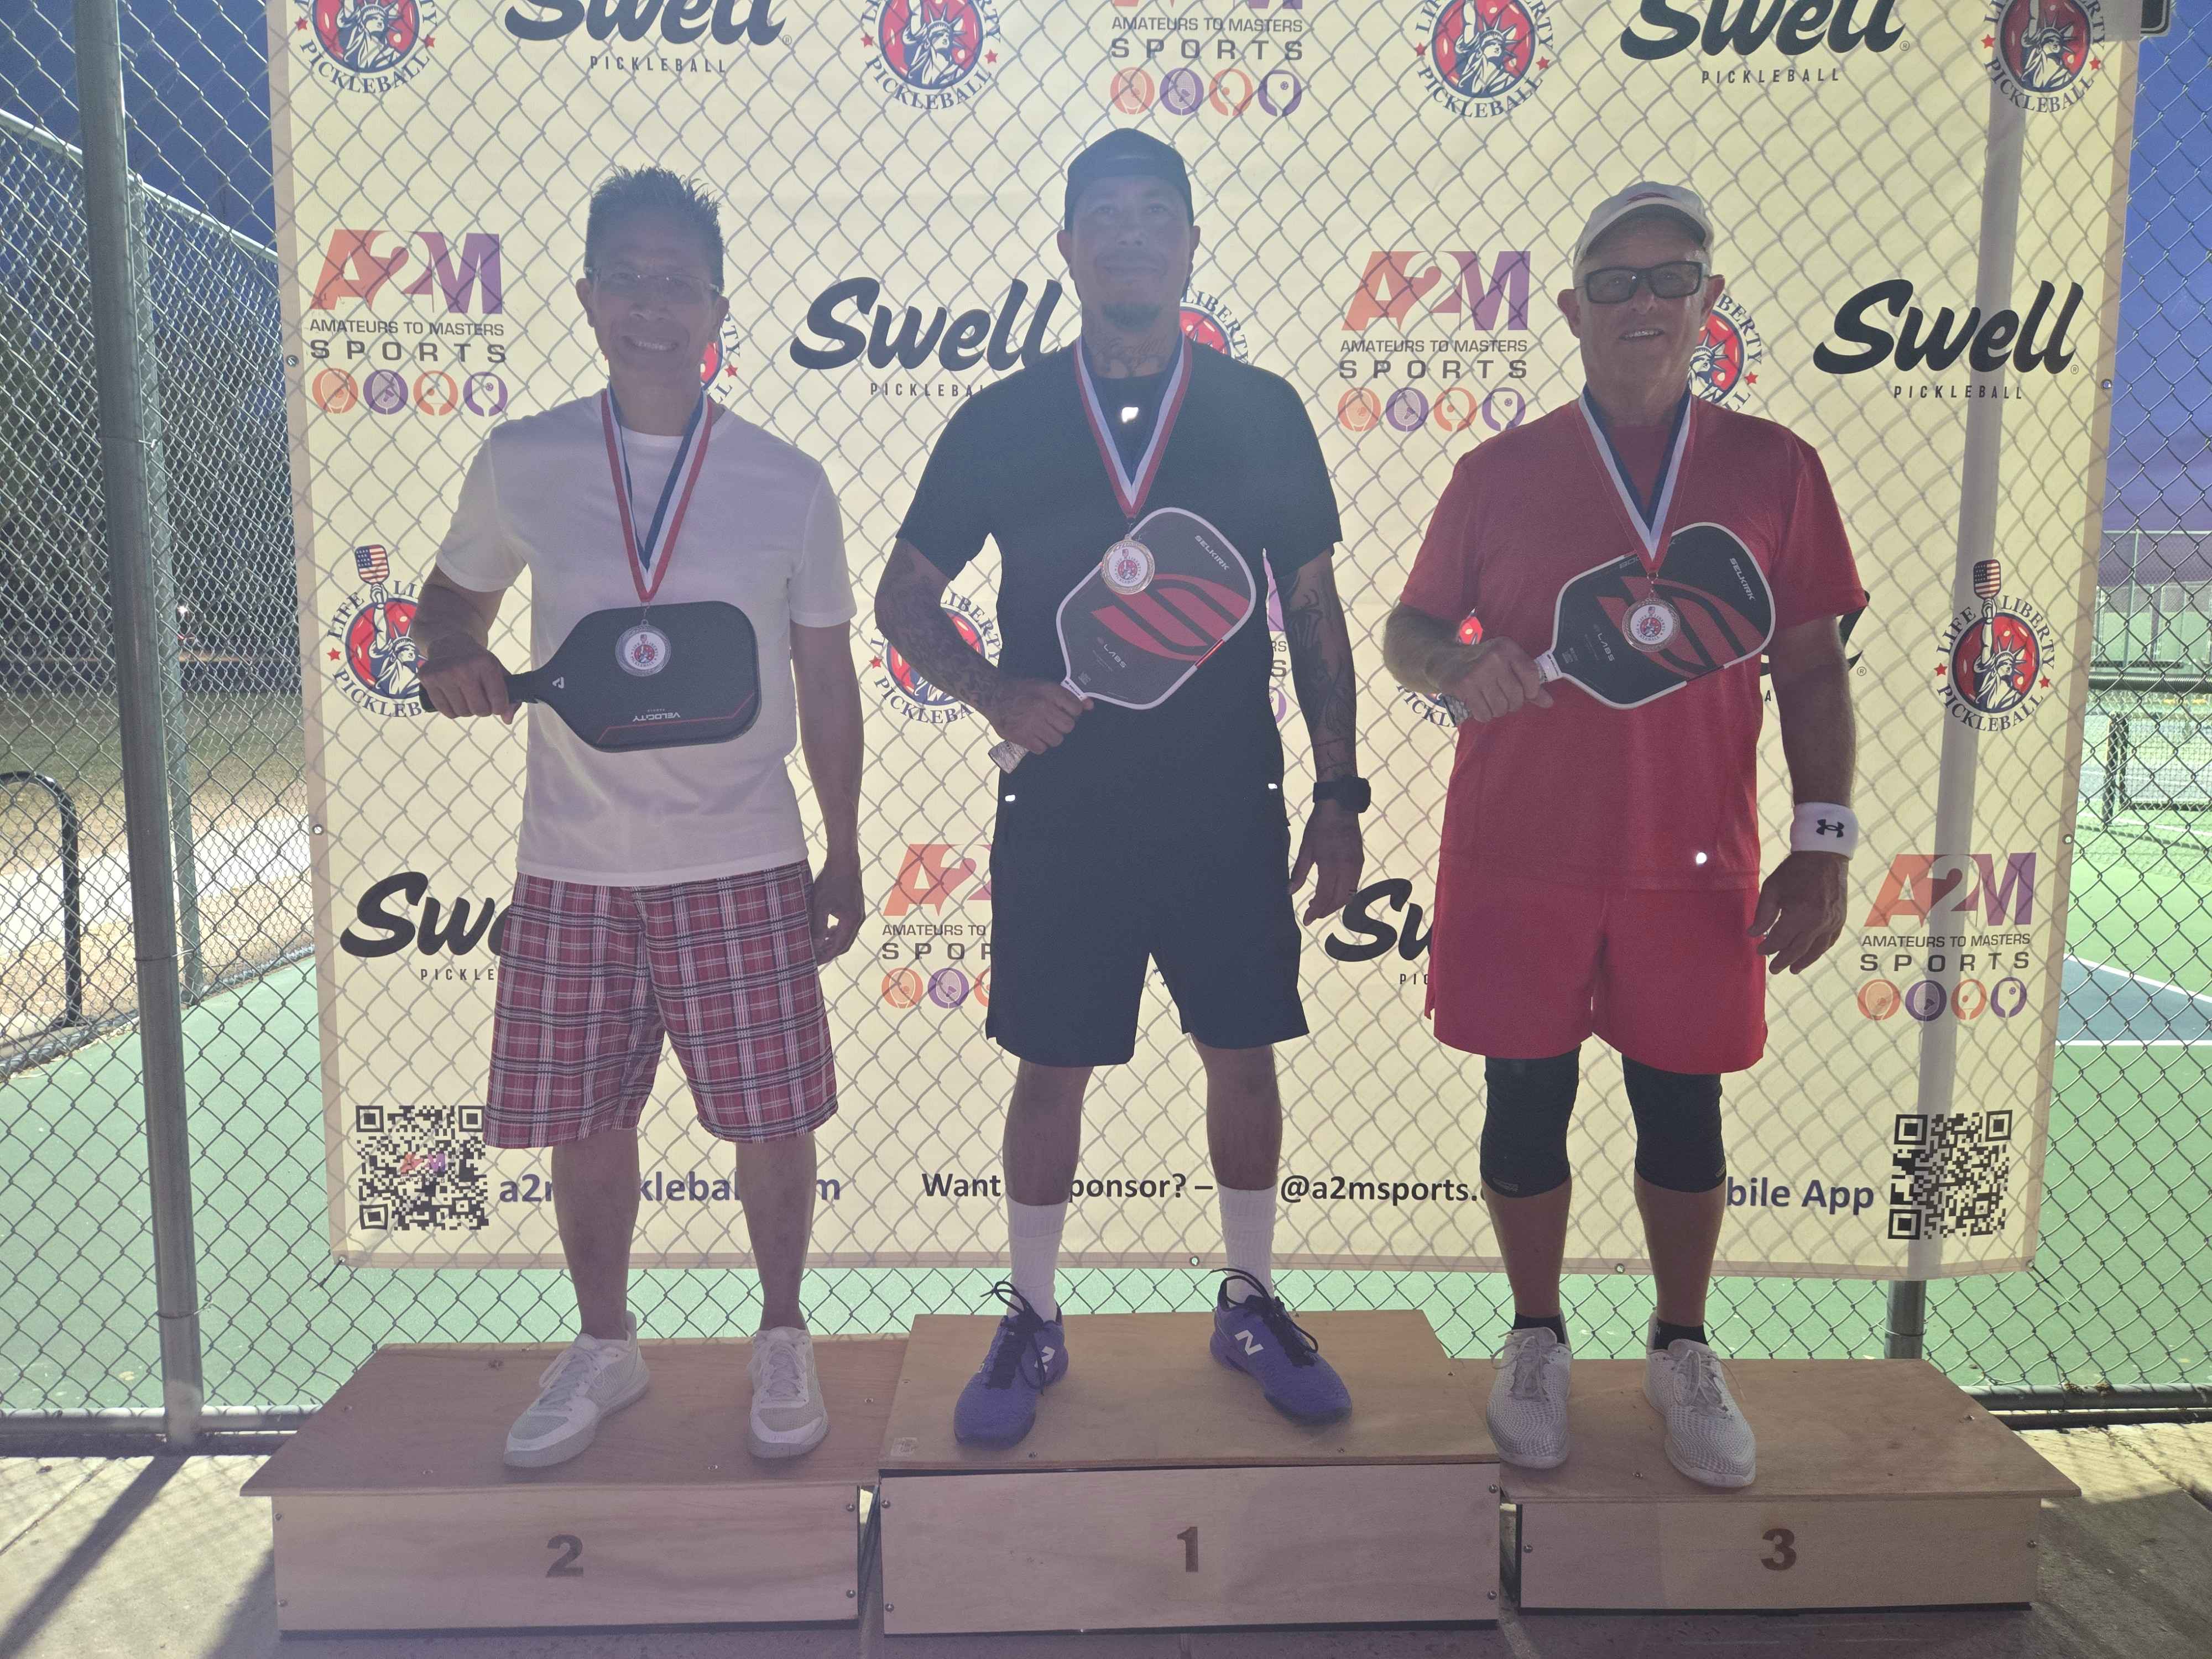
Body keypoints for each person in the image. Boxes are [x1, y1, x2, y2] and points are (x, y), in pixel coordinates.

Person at [874, 130, 1369, 1447]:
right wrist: (992, 692)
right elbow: (903, 600)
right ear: (1068, 247)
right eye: (1105, 214)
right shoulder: (1003, 420)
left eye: (1157, 212)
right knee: (1050, 1070)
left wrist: (1339, 794)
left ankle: (1248, 1300)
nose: (1132, 234)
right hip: (1064, 810)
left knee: (1241, 1058)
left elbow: (1313, 610)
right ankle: (1033, 1317)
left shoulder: (1259, 411)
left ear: (1191, 243)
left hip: (1225, 803)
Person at [1384, 183, 1865, 1488]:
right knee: (1523, 1098)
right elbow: (1408, 632)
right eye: (1614, 282)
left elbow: (1809, 668)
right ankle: (1534, 1337)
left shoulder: (1774, 469)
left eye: (1670, 279)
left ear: (1708, 303)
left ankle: (1678, 1346)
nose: (1642, 303)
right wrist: (1455, 667)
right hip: (1518, 850)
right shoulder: (1495, 473)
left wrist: (1822, 843)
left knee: (1681, 1109)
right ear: (1570, 309)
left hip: (1691, 860)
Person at [413, 167, 864, 1469]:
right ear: (587, 297)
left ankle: (781, 1332)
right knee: (587, 1121)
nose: (652, 306)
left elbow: (826, 677)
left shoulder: (786, 480)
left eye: (679, 283)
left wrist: (843, 847)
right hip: (575, 861)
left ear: (717, 305)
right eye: (628, 279)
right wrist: (450, 654)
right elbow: (448, 605)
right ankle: (606, 1345)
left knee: (772, 1121)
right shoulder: (525, 458)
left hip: (743, 854)